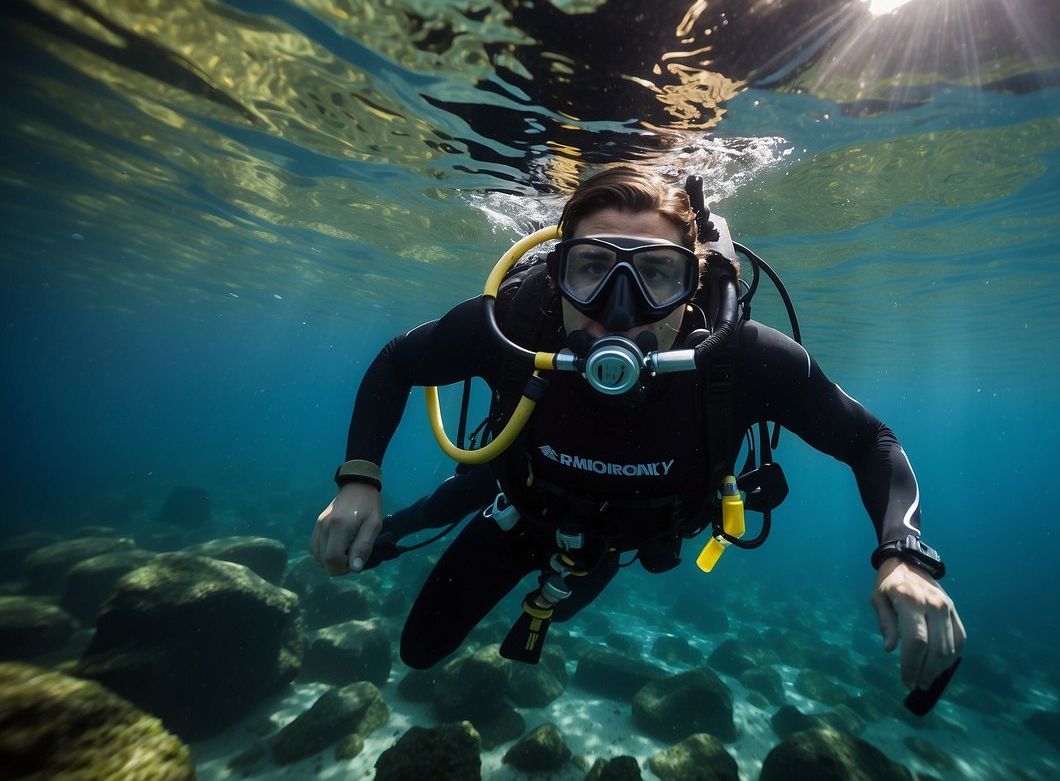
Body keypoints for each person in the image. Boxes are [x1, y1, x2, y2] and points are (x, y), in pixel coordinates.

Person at [310, 167, 965, 700]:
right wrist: (358, 478)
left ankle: (548, 584)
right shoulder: (514, 320)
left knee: (557, 606)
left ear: (694, 285)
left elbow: (870, 442)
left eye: (655, 274)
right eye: (590, 268)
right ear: (555, 272)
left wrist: (903, 556)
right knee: (420, 651)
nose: (617, 310)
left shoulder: (746, 360)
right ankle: (411, 524)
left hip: (618, 541)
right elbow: (399, 359)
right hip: (519, 508)